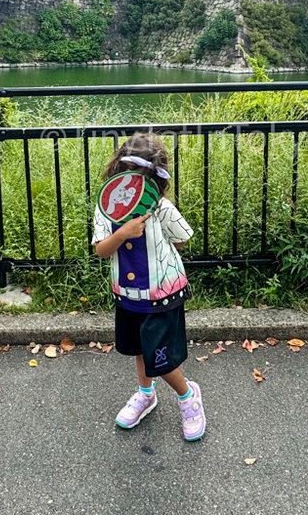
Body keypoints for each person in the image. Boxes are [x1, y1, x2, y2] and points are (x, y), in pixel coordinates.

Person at [92, 132, 206, 441]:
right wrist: (124, 233)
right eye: (128, 179)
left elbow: (182, 238)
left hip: (163, 293)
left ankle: (187, 396)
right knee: (139, 348)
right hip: (127, 294)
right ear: (118, 173)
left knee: (161, 355)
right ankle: (146, 393)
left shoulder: (162, 208)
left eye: (142, 181)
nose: (133, 189)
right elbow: (101, 249)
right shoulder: (106, 209)